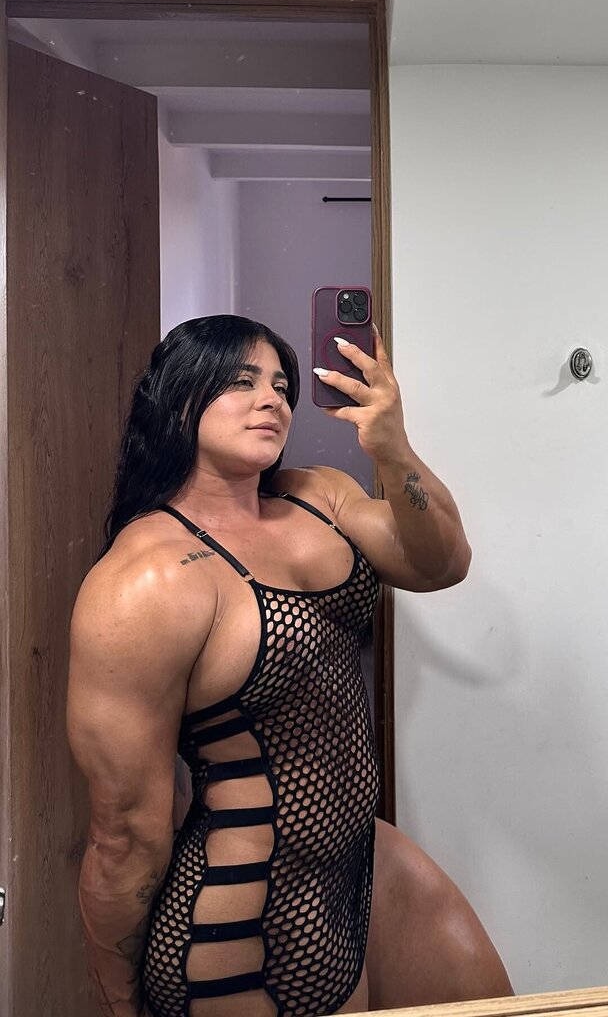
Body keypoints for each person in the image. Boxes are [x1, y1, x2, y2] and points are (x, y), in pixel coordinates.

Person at [68, 315, 512, 1017]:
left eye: (280, 385)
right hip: (249, 921)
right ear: (180, 401)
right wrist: (122, 1000)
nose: (271, 400)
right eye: (242, 382)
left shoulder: (319, 496)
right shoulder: (146, 579)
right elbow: (125, 833)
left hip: (359, 864)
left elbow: (442, 563)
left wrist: (392, 447)